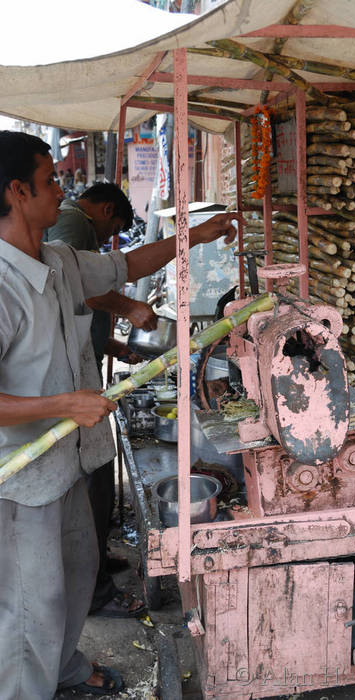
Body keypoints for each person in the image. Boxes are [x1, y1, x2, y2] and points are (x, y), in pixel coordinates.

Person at [0, 130, 239, 699]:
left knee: (79, 577)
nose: (62, 190)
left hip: (69, 464)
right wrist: (63, 404)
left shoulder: (55, 261)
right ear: (15, 191)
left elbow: (127, 264)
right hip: (21, 480)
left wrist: (195, 236)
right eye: (50, 179)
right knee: (30, 605)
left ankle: (63, 670)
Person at [45, 182, 155, 619]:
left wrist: (108, 345)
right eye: (49, 181)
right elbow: (86, 288)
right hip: (66, 401)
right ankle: (93, 588)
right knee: (89, 484)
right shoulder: (73, 224)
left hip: (77, 384)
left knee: (95, 478)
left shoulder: (68, 235)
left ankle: (94, 564)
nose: (58, 191)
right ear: (108, 210)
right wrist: (128, 306)